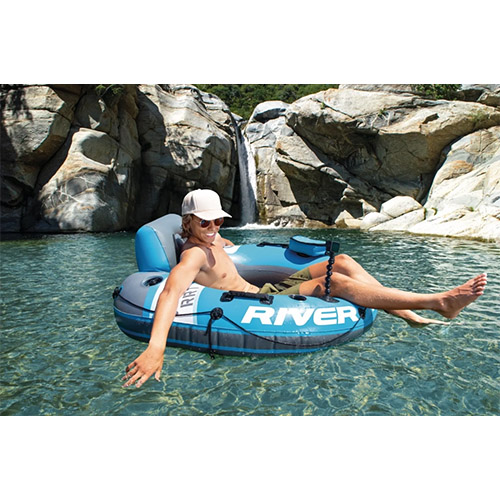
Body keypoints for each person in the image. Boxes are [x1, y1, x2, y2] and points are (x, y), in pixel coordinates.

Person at [123, 189, 488, 388]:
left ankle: (406, 314)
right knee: (336, 282)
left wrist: (226, 241)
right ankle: (436, 302)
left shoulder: (214, 239)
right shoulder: (192, 256)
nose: (214, 226)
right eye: (206, 222)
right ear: (188, 222)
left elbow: (231, 253)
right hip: (258, 301)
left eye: (219, 220)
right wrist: (156, 348)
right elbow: (170, 294)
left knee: (340, 261)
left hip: (265, 286)